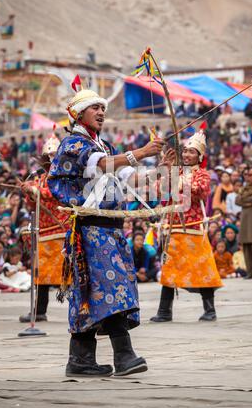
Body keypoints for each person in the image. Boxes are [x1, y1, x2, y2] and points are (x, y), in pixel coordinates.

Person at [48, 82, 166, 377]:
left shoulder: (102, 144)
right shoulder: (74, 145)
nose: (101, 112)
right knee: (110, 288)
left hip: (109, 229)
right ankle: (124, 356)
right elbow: (103, 165)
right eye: (95, 108)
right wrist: (142, 150)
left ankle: (80, 359)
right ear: (78, 114)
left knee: (95, 292)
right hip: (90, 231)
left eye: (103, 108)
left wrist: (161, 166)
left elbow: (131, 179)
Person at [150, 131, 223, 323]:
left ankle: (210, 309)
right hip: (173, 228)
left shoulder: (203, 174)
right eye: (185, 151)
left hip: (193, 229)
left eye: (192, 152)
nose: (187, 155)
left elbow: (200, 191)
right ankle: (165, 311)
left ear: (200, 156)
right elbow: (158, 190)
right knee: (169, 269)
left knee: (202, 268)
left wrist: (178, 180)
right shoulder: (177, 172)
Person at [19, 131, 69, 323]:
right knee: (40, 274)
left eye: (55, 155)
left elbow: (54, 193)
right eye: (49, 156)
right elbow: (34, 203)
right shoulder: (39, 177)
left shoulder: (64, 175)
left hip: (60, 229)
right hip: (44, 231)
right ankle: (39, 311)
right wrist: (28, 192)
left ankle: (84, 310)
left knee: (70, 274)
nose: (52, 159)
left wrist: (34, 190)